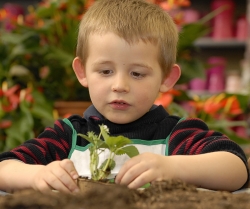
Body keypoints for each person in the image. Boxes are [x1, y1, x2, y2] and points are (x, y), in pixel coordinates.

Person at [0, 0, 248, 194]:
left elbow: (236, 166)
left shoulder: (175, 136)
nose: (119, 85)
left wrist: (172, 167)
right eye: (106, 71)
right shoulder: (68, 136)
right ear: (82, 72)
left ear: (166, 78)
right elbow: (4, 168)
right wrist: (37, 176)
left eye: (137, 74)